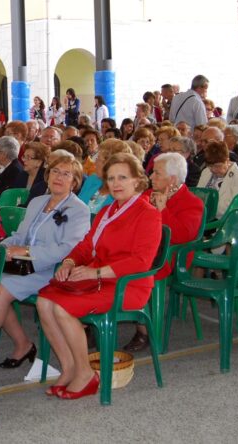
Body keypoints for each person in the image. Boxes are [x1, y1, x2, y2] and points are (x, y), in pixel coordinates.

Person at [37, 152, 161, 400]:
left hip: (128, 285)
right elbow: (86, 245)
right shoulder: (108, 211)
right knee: (43, 301)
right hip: (98, 278)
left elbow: (140, 261)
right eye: (112, 178)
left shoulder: (147, 213)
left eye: (122, 178)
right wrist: (70, 261)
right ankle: (69, 366)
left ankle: (85, 373)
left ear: (137, 181)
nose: (115, 184)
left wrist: (96, 271)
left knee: (62, 308)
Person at [0, 156, 91, 371]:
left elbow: (67, 249)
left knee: (3, 287)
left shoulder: (78, 210)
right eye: (55, 171)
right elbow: (20, 235)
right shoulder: (37, 202)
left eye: (66, 174)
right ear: (48, 175)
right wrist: (2, 248)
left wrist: (27, 251)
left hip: (53, 269)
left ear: (74, 182)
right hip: (24, 264)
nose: (59, 177)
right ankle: (23, 345)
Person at [124, 152, 204, 351]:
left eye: (156, 173)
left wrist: (162, 211)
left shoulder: (192, 202)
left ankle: (143, 330)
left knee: (135, 269)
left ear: (173, 179)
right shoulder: (147, 195)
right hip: (144, 249)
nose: (151, 177)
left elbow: (183, 236)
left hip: (172, 255)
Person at [198, 140, 238, 219]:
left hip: (223, 221)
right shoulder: (206, 172)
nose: (214, 169)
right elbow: (198, 196)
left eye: (218, 166)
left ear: (227, 161)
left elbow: (235, 208)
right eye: (210, 166)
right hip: (202, 217)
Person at [78, 138, 131, 214]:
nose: (94, 162)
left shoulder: (123, 194)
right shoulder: (92, 179)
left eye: (98, 158)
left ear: (110, 164)